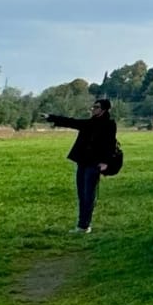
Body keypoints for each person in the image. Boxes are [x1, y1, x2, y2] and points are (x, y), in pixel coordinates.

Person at [46, 97, 118, 233]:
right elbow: (71, 122)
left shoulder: (109, 124)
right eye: (93, 107)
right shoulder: (89, 123)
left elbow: (110, 144)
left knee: (88, 195)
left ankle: (84, 225)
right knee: (81, 194)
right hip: (83, 162)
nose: (93, 109)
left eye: (96, 107)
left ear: (103, 109)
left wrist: (105, 162)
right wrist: (51, 117)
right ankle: (82, 224)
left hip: (95, 164)